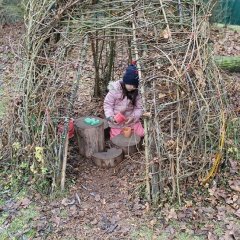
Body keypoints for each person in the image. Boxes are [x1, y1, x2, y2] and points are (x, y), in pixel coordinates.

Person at [104, 62, 144, 139]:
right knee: (115, 138)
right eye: (131, 85)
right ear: (125, 81)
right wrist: (111, 117)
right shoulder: (115, 90)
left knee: (141, 133)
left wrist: (133, 117)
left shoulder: (137, 93)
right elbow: (108, 105)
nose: (133, 87)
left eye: (135, 86)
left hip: (130, 120)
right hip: (116, 121)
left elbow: (139, 108)